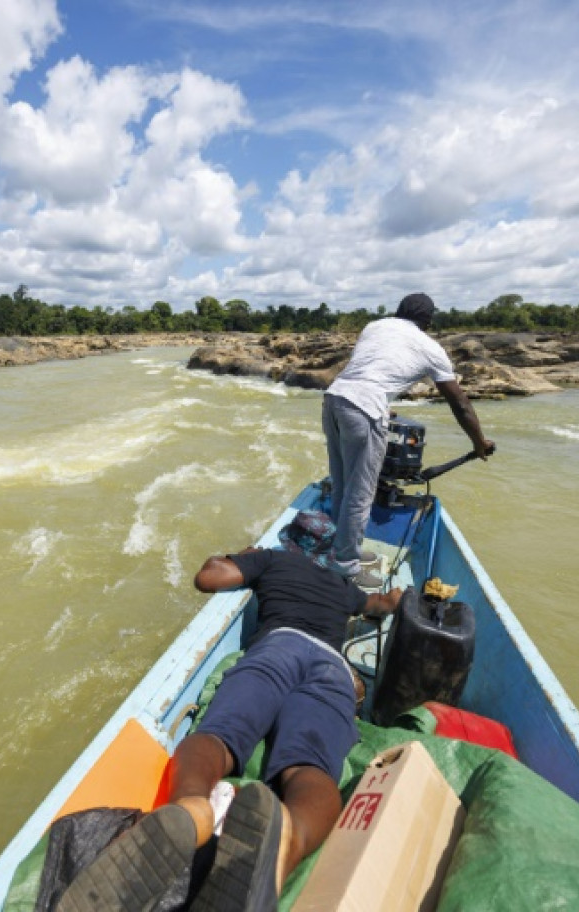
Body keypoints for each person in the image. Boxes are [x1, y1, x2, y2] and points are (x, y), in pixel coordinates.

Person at [58, 511, 402, 912]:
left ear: (290, 543)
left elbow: (208, 578)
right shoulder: (341, 587)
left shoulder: (273, 559)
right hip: (332, 668)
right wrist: (398, 599)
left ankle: (190, 809)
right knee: (310, 766)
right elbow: (380, 604)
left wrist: (243, 555)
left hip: (279, 646)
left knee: (220, 735)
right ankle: (289, 844)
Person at [323, 292, 494, 587]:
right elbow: (460, 403)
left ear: (399, 311)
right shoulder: (431, 348)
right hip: (364, 408)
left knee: (342, 484)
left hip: (335, 399)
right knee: (361, 493)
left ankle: (340, 551)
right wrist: (479, 442)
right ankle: (345, 566)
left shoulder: (375, 327)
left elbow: (371, 368)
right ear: (427, 320)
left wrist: (382, 403)